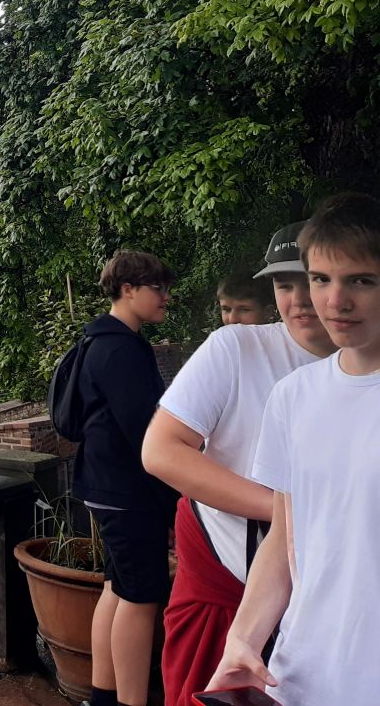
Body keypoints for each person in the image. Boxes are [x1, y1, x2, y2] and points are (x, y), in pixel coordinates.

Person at [142, 225, 336, 706]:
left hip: (324, 583)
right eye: (284, 284)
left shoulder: (359, 367)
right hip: (227, 563)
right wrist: (286, 510)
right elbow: (161, 450)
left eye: (312, 280)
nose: (300, 299)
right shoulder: (238, 347)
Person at [207, 193, 380, 705]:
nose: (335, 301)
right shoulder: (293, 396)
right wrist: (242, 639)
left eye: (361, 281)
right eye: (321, 278)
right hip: (298, 677)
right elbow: (285, 538)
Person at [73, 250, 179, 706]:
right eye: (158, 288)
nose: (166, 297)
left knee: (117, 589)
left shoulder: (97, 341)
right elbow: (148, 434)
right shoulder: (121, 348)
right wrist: (173, 500)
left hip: (105, 484)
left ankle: (103, 697)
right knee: (141, 597)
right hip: (127, 489)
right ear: (128, 289)